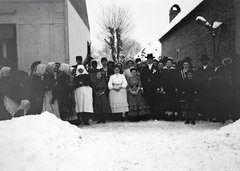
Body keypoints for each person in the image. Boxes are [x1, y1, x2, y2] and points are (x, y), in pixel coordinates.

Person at [208, 58, 231, 123]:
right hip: (214, 89)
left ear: (219, 62)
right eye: (214, 62)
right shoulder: (212, 69)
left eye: (217, 61)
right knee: (215, 103)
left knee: (221, 103)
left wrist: (218, 78)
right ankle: (216, 116)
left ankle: (222, 117)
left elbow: (225, 79)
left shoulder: (223, 69)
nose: (215, 63)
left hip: (221, 89)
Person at [140, 53, 159, 119]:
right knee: (147, 100)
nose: (150, 60)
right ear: (147, 60)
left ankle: (154, 115)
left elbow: (158, 78)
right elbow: (142, 77)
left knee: (154, 100)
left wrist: (158, 87)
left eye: (151, 59)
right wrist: (142, 86)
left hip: (154, 86)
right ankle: (148, 115)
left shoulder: (156, 68)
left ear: (152, 60)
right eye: (148, 59)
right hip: (146, 87)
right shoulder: (144, 68)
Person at [195, 54, 214, 121]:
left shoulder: (211, 69)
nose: (204, 61)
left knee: (209, 102)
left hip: (209, 88)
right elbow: (197, 79)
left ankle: (210, 115)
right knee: (202, 102)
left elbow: (212, 78)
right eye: (203, 60)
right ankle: (204, 115)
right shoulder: (199, 70)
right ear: (201, 61)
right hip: (201, 89)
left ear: (207, 61)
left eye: (206, 60)